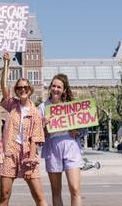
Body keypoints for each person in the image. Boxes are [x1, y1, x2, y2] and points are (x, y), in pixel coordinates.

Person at [0, 52, 47, 206]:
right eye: (19, 88)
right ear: (16, 91)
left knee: (38, 197)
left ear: (30, 90)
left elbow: (35, 139)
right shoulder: (11, 104)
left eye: (25, 87)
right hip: (9, 154)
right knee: (4, 196)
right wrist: (6, 63)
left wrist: (29, 163)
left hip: (28, 154)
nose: (22, 90)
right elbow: (3, 86)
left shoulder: (36, 112)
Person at [38, 73, 87, 206]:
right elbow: (37, 136)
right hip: (52, 149)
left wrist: (77, 131)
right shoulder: (42, 108)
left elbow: (85, 129)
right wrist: (44, 126)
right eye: (53, 86)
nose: (55, 89)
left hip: (71, 147)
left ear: (64, 89)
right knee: (56, 191)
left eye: (59, 87)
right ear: (50, 88)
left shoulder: (72, 106)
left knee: (75, 189)